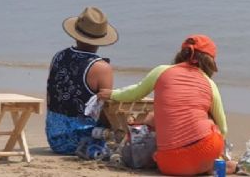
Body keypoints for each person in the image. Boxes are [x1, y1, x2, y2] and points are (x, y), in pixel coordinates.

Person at [98, 34, 235, 176]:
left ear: (182, 53)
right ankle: (210, 166)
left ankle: (196, 164)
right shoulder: (210, 83)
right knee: (208, 120)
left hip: (171, 165)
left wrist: (113, 94)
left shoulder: (162, 71)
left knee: (155, 118)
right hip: (207, 152)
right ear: (210, 62)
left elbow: (135, 92)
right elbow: (223, 128)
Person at [46, 6, 117, 154]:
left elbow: (50, 94)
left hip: (54, 136)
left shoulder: (58, 56)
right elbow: (106, 108)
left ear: (76, 34)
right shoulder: (101, 68)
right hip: (82, 139)